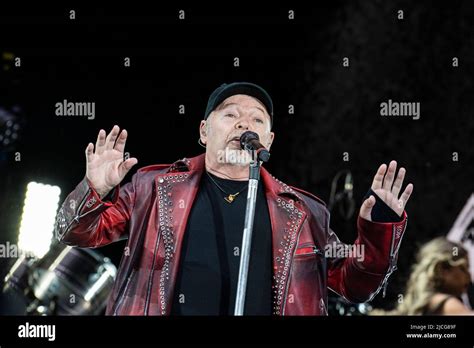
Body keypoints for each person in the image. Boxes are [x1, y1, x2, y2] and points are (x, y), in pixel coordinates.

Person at [54, 82, 413, 315]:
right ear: (204, 130)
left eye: (257, 119)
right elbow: (78, 234)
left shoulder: (304, 213)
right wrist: (95, 189)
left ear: (268, 141)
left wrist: (378, 230)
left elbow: (355, 285)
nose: (245, 124)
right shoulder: (153, 186)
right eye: (230, 115)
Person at [376, 237, 473, 315]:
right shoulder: (444, 304)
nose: (469, 275)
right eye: (464, 268)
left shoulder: (422, 307)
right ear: (442, 269)